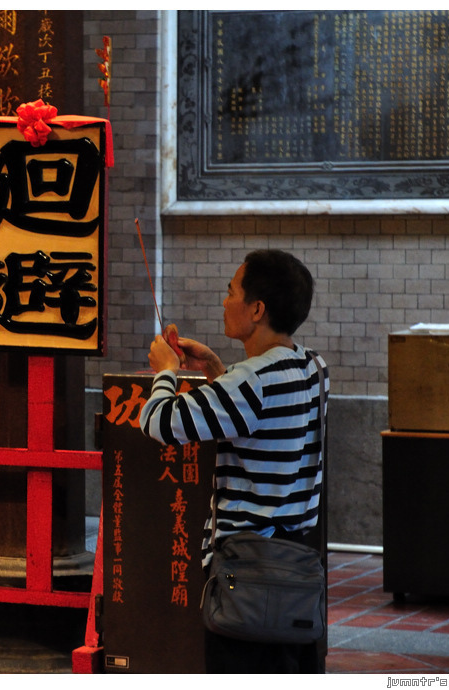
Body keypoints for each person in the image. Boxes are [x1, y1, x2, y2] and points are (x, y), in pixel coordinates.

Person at [139, 249, 328, 674]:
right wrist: (214, 368)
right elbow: (258, 420)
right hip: (296, 565)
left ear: (257, 309)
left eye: (231, 292)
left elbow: (158, 421)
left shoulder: (251, 381)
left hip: (245, 571)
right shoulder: (314, 366)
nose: (224, 302)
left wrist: (166, 371)